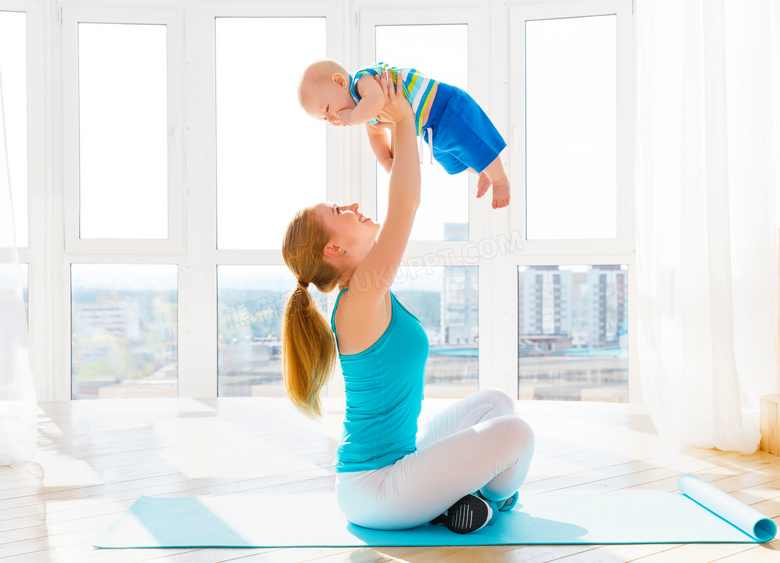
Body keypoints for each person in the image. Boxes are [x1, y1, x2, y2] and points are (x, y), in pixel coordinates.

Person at [282, 70, 534, 534]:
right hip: (374, 491)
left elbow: (401, 185)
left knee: (496, 404)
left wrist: (390, 129)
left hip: (401, 464)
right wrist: (401, 118)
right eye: (340, 213)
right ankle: (483, 497)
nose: (353, 206)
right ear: (332, 250)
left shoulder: (366, 287)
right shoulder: (359, 298)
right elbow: (406, 204)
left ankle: (457, 498)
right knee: (517, 435)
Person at [298, 59, 511, 209]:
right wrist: (386, 161)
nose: (333, 119)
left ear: (339, 81)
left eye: (327, 110)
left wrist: (351, 117)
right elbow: (376, 136)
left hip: (447, 107)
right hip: (430, 129)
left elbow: (377, 102)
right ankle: (482, 171)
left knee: (472, 144)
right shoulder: (366, 112)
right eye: (326, 119)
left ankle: (500, 181)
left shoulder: (361, 82)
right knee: (450, 159)